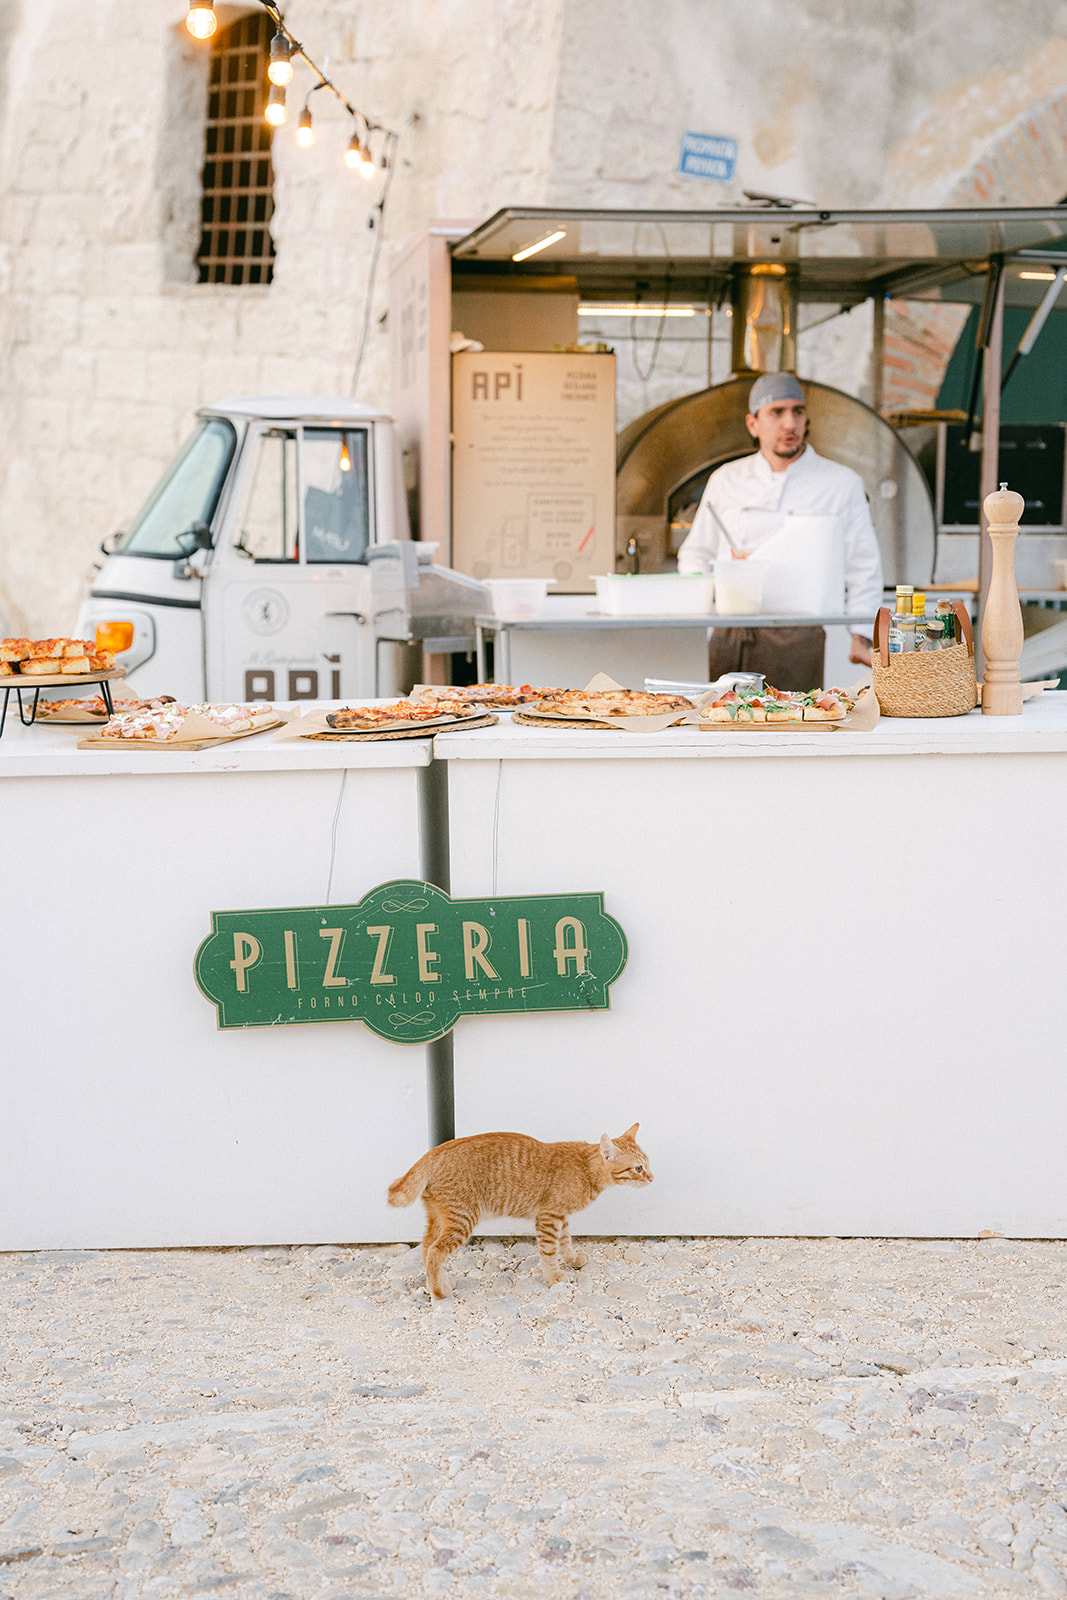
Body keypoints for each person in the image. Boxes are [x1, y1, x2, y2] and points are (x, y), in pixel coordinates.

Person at [677, 372, 883, 691]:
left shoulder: (841, 483)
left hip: (800, 637)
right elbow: (695, 553)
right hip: (731, 633)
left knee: (795, 729)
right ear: (752, 424)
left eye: (797, 412)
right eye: (777, 412)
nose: (789, 424)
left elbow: (863, 567)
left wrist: (862, 636)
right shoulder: (726, 480)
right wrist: (715, 589)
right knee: (724, 729)